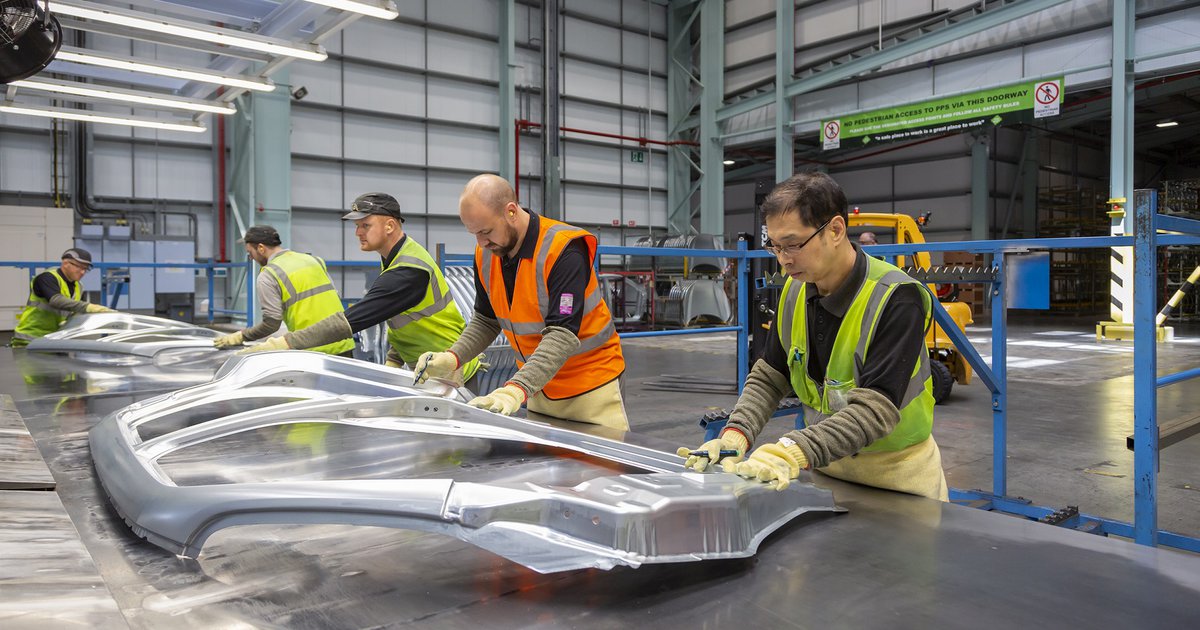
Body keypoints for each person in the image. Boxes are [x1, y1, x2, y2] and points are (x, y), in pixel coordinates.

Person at [679, 172, 947, 501]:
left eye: (793, 245)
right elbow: (770, 376)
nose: (784, 259)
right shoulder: (794, 290)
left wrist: (792, 449)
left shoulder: (896, 297)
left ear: (835, 230)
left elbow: (875, 410)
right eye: (775, 247)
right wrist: (736, 434)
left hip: (898, 478)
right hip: (826, 471)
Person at [412, 174, 629, 430]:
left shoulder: (564, 250)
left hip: (591, 387)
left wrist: (515, 389)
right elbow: (486, 320)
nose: (481, 243)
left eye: (486, 231)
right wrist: (452, 358)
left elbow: (561, 335)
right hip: (538, 388)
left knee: (601, 455)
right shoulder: (486, 254)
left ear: (511, 212)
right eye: (474, 233)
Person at [239, 193, 481, 387]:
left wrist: (284, 343)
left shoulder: (407, 270)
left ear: (390, 226)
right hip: (428, 367)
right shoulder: (397, 257)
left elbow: (351, 321)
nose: (357, 232)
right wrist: (394, 359)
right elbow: (408, 317)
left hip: (450, 370)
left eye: (365, 225)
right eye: (357, 226)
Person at [213, 225, 354, 356]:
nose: (251, 258)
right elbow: (335, 295)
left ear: (261, 248)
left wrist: (242, 336)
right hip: (344, 343)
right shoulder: (314, 260)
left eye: (250, 253)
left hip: (313, 351)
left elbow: (271, 324)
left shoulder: (269, 274)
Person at [13, 248, 113, 346]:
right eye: (79, 267)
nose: (82, 272)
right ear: (65, 263)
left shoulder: (79, 286)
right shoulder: (47, 278)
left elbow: (76, 310)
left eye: (85, 269)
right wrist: (89, 307)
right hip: (30, 340)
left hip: (55, 339)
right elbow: (56, 300)